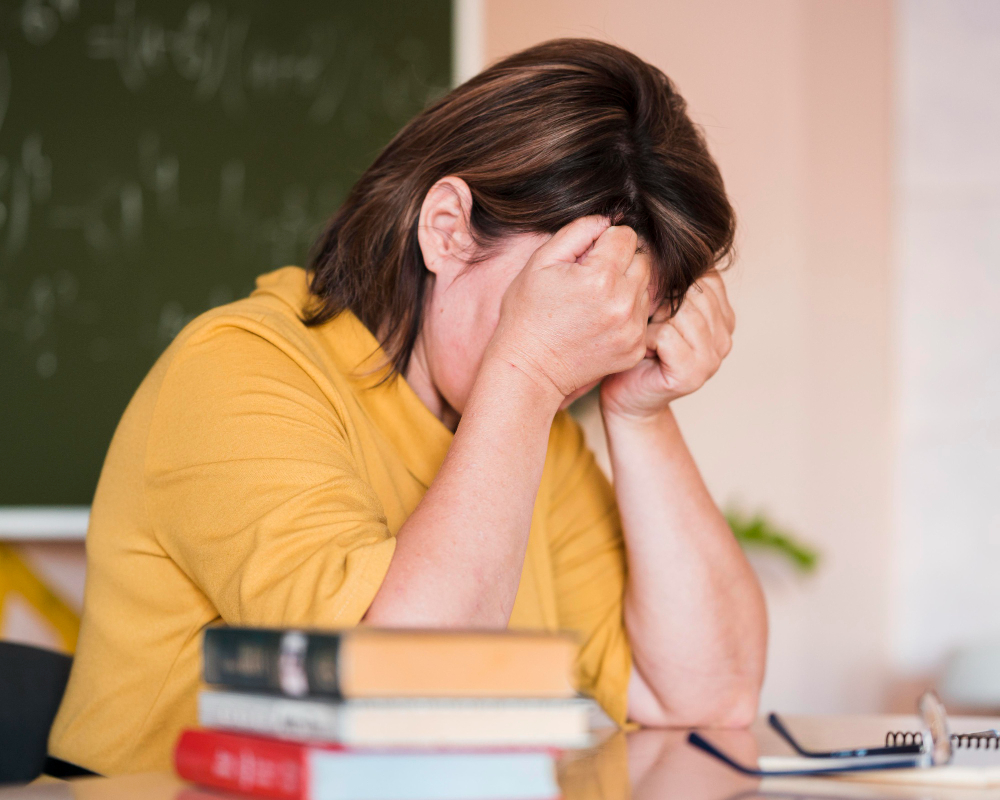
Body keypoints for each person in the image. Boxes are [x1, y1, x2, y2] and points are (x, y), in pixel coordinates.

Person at [49, 38, 767, 774]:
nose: (591, 345)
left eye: (623, 317)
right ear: (448, 230)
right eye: (567, 297)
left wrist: (639, 411)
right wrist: (527, 366)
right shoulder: (236, 370)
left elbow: (706, 697)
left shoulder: (535, 430)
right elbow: (395, 692)